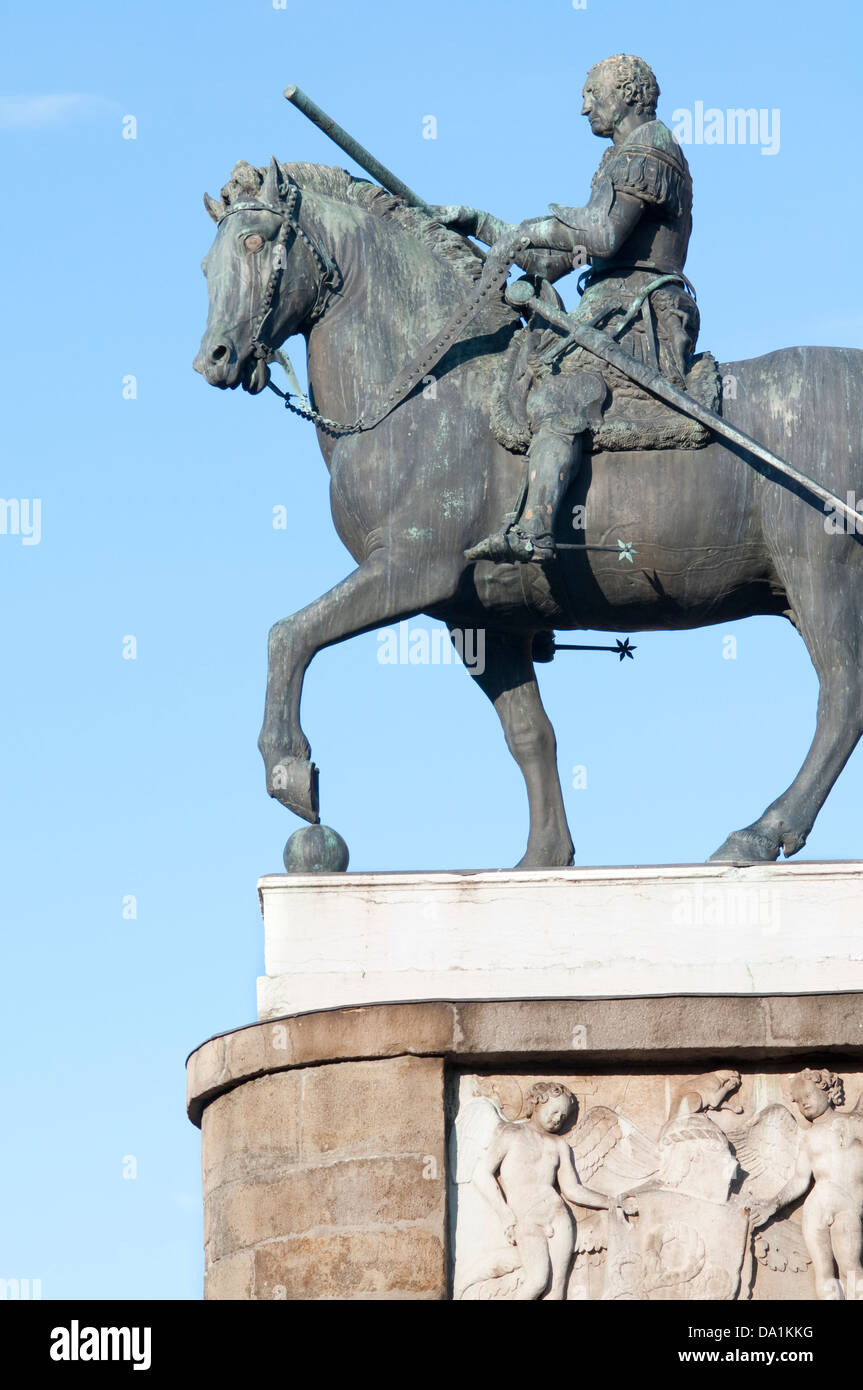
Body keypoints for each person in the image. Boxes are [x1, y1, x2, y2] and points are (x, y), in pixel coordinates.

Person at [438, 54, 698, 563]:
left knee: (560, 394)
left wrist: (527, 231)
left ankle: (534, 530)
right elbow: (551, 260)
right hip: (608, 308)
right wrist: (482, 224)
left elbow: (601, 236)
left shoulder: (650, 147)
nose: (583, 109)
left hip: (638, 317)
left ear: (626, 92)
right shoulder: (619, 158)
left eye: (591, 95)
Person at [472, 1081, 637, 1300]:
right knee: (537, 1281)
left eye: (564, 1115)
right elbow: (481, 1174)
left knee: (558, 1289)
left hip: (558, 1216)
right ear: (538, 1103)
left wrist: (612, 1201)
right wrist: (505, 1216)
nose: (559, 1118)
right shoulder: (511, 1133)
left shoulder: (559, 1145)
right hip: (527, 1218)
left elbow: (573, 1189)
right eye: (555, 1110)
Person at [750, 1069, 863, 1300]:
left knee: (850, 1265)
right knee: (823, 1271)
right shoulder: (808, 1137)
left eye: (809, 1096)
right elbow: (800, 1180)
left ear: (828, 1092)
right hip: (817, 1206)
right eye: (799, 1101)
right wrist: (771, 1206)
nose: (804, 1104)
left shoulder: (853, 1123)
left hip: (847, 1205)